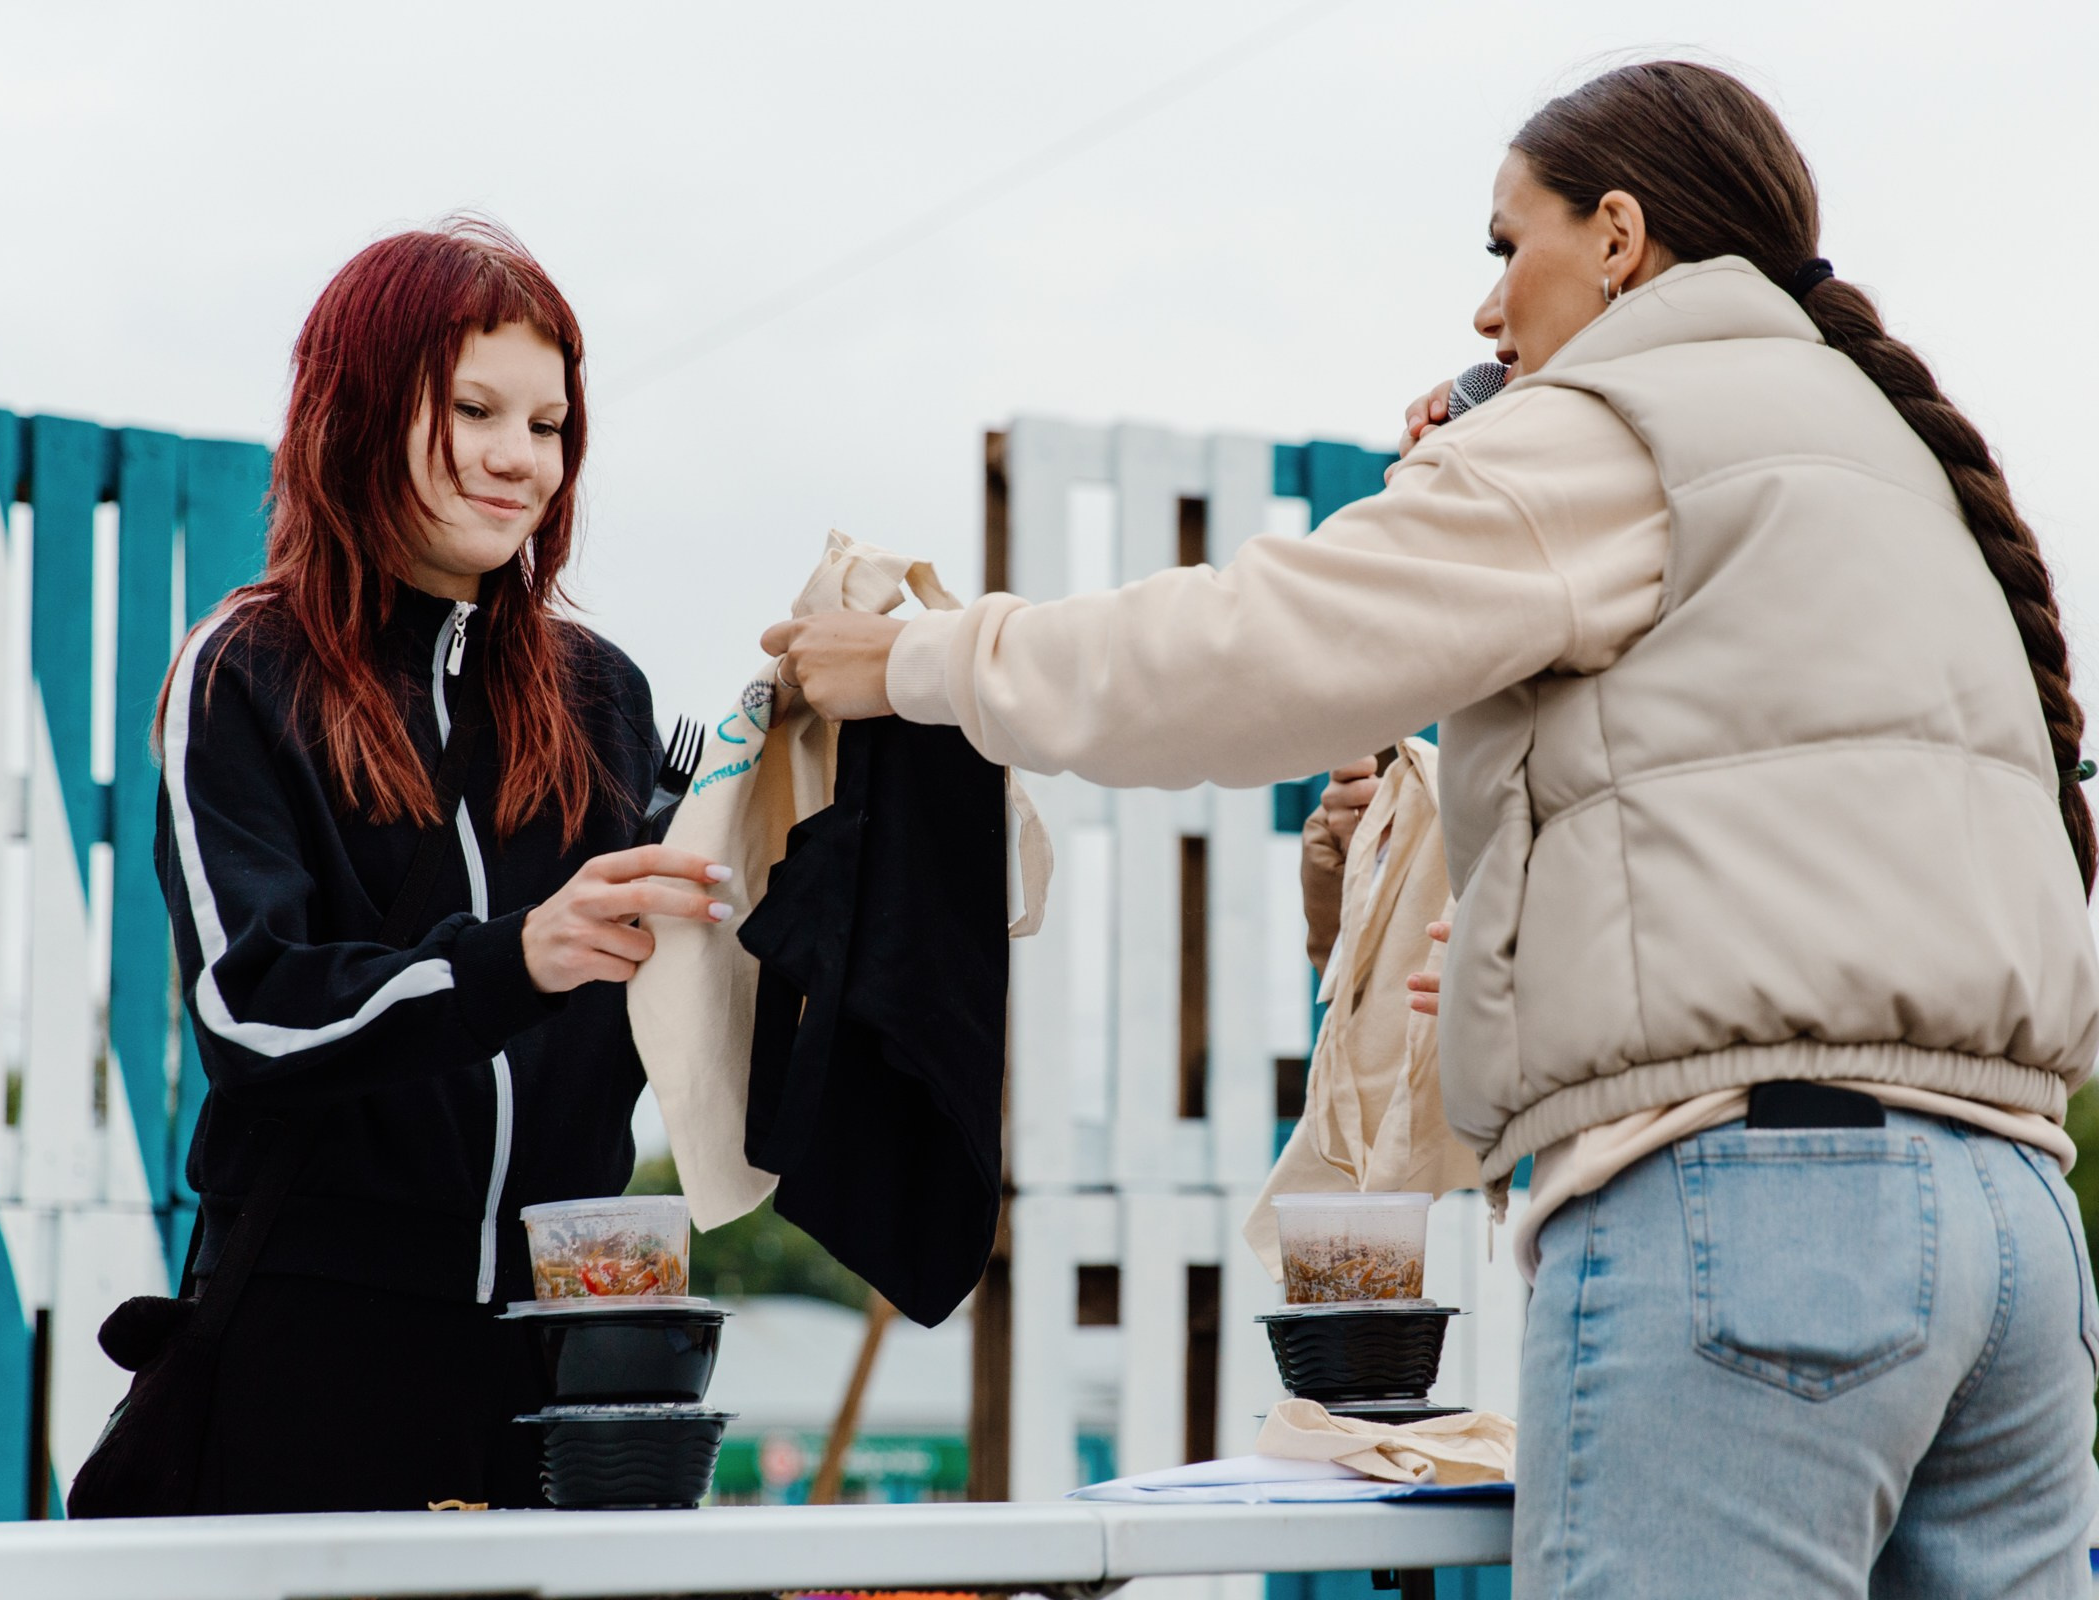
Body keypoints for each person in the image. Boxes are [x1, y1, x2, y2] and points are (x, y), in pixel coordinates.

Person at [767, 62, 2099, 1595]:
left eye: (1500, 247)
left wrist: (936, 664)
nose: (1483, 313)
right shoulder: (1898, 456)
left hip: (1760, 1216)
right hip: (2016, 1229)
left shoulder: (1612, 432)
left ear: (1618, 235)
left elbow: (1261, 649)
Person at [154, 219, 729, 1513]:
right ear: (354, 409)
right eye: (474, 407)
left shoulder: (601, 694)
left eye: (549, 424)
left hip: (578, 1345)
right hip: (317, 1338)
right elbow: (249, 1010)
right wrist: (516, 957)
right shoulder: (247, 672)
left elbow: (665, 1021)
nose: (515, 459)